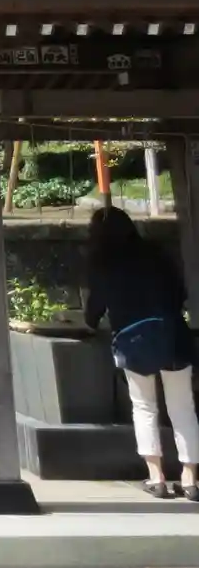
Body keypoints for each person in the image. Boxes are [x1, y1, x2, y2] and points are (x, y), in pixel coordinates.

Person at [85, 206, 199, 500]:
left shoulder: (103, 262)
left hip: (133, 340)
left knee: (144, 406)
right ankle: (190, 479)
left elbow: (93, 311)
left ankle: (156, 477)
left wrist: (93, 321)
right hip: (173, 335)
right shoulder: (157, 253)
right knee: (182, 407)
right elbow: (180, 293)